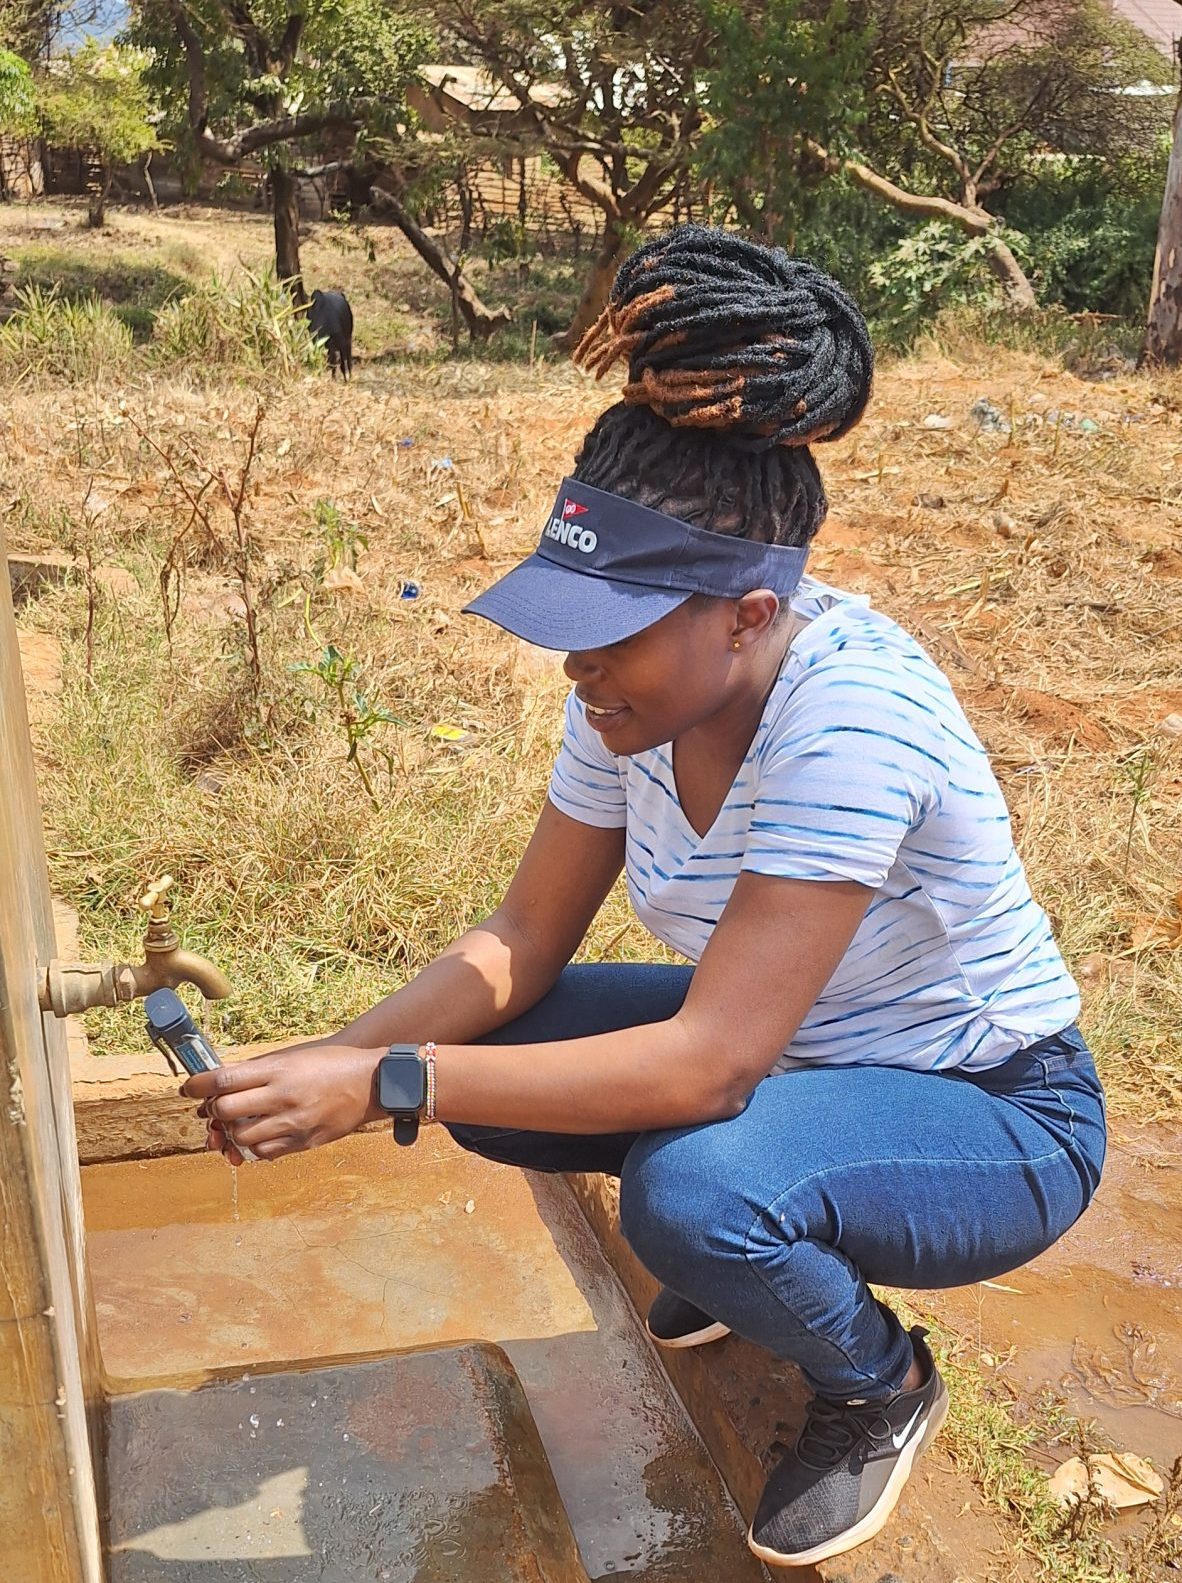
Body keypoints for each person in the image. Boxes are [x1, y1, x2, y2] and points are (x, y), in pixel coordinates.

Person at [183, 225, 1106, 1569]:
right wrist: (333, 1057)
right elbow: (518, 941)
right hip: (803, 1053)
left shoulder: (851, 716)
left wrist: (389, 1082)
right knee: (500, 1062)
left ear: (746, 614)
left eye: (608, 634)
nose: (578, 668)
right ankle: (760, 1230)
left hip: (990, 1108)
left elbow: (711, 1061)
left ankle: (876, 1381)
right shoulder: (628, 704)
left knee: (692, 1186)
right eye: (569, 628)